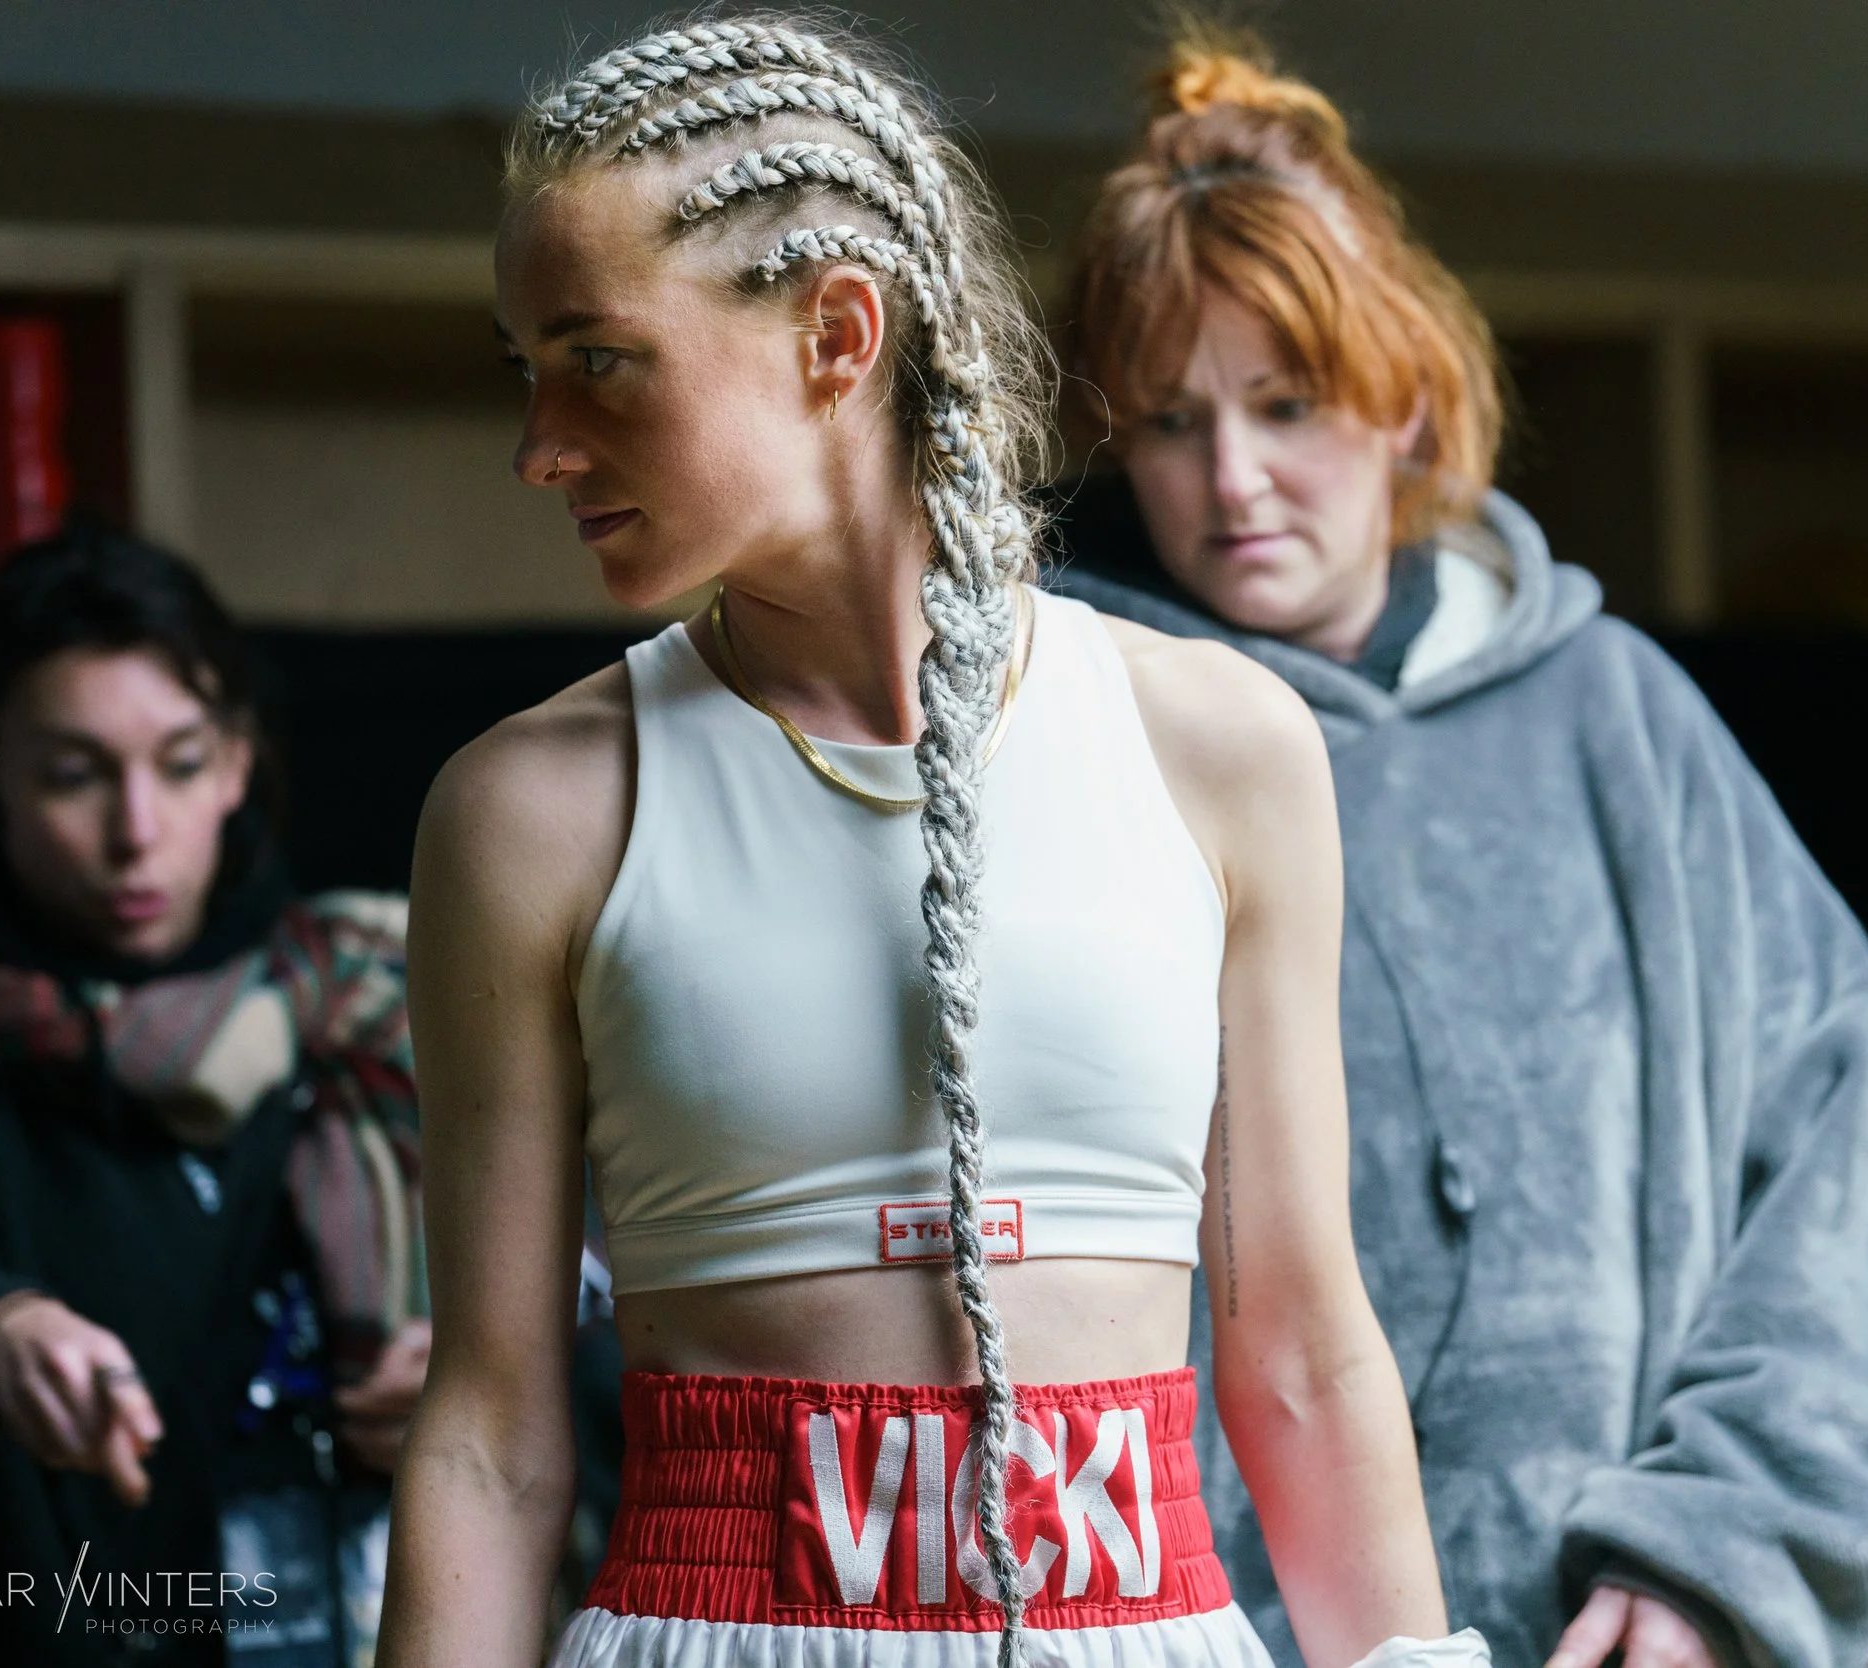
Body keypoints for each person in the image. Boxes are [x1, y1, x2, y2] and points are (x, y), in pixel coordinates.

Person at [378, 16, 1470, 1668]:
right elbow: (489, 1430)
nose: (542, 443)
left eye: (596, 359)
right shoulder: (529, 814)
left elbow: (1308, 1356)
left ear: (837, 334)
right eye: (523, 370)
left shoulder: (1225, 750)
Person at [1047, 39, 1868, 1668]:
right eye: (1174, 422)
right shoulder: (1068, 732)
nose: (1233, 478)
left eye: (1288, 405)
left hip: (1616, 1633)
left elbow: (1832, 1171)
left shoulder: (1621, 719)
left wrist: (1721, 1552)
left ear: (1403, 398)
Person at [0, 526, 431, 1666]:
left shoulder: (379, 1006)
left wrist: (489, 1375)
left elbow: (613, 1274)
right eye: (73, 774)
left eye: (182, 762)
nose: (136, 833)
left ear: (241, 763)